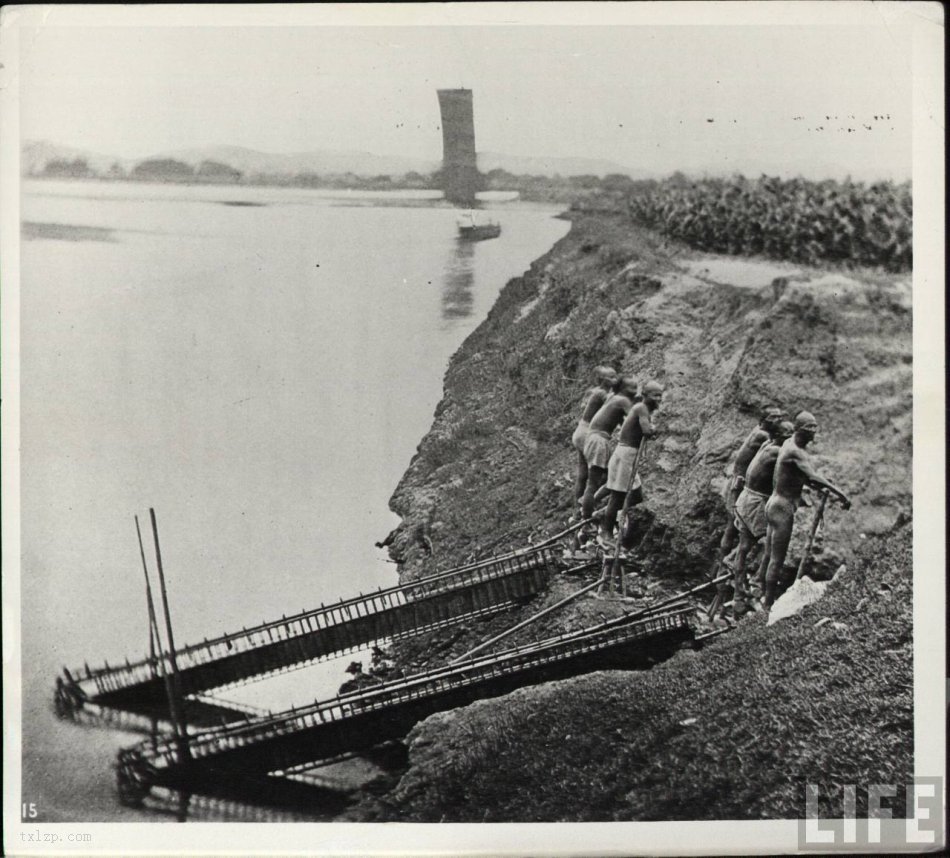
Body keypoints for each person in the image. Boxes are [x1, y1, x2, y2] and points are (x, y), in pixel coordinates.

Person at [761, 411, 851, 609]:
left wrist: (823, 490)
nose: (815, 432)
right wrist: (841, 494)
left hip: (774, 504)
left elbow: (803, 478)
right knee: (777, 559)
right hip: (782, 508)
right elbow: (813, 476)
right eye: (812, 428)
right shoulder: (796, 451)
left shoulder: (789, 445)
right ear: (803, 430)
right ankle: (767, 605)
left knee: (769, 555)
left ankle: (763, 597)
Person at [711, 405, 787, 576]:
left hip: (738, 483)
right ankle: (721, 573)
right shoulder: (764, 436)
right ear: (763, 420)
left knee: (732, 531)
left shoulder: (761, 433)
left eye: (779, 417)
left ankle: (719, 571)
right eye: (773, 417)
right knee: (732, 530)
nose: (778, 420)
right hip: (738, 486)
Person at [730, 419, 794, 616]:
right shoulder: (776, 452)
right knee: (765, 545)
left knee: (745, 547)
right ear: (777, 436)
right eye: (787, 434)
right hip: (756, 502)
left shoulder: (768, 444)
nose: (791, 438)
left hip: (748, 498)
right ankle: (747, 590)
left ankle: (741, 591)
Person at [600, 381, 662, 546]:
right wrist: (656, 428)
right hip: (625, 455)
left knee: (636, 495)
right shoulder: (641, 408)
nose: (659, 399)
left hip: (629, 455)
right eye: (655, 395)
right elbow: (647, 431)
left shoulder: (644, 409)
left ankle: (606, 515)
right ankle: (606, 531)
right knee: (618, 495)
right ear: (645, 395)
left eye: (660, 395)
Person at [580, 376, 639, 522]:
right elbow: (634, 417)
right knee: (593, 482)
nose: (635, 391)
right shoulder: (622, 400)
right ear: (623, 389)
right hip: (598, 440)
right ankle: (586, 519)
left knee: (609, 476)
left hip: (595, 438)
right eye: (632, 388)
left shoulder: (614, 398)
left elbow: (622, 422)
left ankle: (588, 507)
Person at [571, 366, 619, 504]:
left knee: (583, 474)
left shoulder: (597, 392)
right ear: (602, 380)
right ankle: (589, 504)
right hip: (588, 434)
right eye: (611, 377)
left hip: (580, 432)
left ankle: (577, 511)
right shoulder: (602, 394)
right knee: (603, 472)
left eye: (616, 376)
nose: (615, 379)